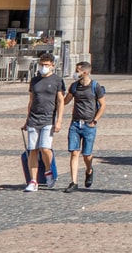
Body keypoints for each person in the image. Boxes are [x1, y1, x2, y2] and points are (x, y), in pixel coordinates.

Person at [19, 53, 62, 192]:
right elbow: (31, 100)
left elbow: (60, 101)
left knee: (45, 148)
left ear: (52, 66)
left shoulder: (57, 80)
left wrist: (59, 120)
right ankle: (33, 180)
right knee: (33, 150)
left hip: (48, 118)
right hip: (33, 118)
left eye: (46, 65)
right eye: (42, 65)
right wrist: (27, 120)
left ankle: (48, 171)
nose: (43, 67)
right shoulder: (34, 80)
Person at [62, 61, 106, 191]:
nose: (75, 73)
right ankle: (73, 182)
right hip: (75, 124)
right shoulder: (74, 86)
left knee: (87, 154)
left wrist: (95, 121)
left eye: (78, 71)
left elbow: (103, 105)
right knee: (74, 152)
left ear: (85, 72)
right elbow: (65, 101)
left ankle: (89, 170)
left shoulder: (95, 87)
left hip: (89, 124)